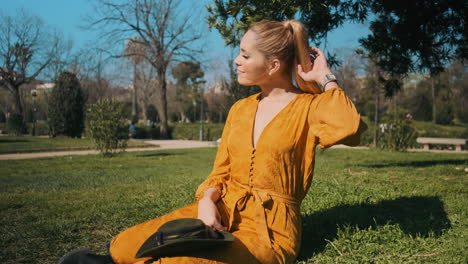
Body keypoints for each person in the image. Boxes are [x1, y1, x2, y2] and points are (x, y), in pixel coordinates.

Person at [59, 19, 366, 264]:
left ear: (273, 65)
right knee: (126, 244)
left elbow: (350, 129)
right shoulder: (240, 109)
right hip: (221, 209)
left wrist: (325, 78)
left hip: (269, 230)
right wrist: (207, 201)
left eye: (245, 55)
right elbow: (221, 169)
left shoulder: (308, 108)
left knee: (181, 260)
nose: (236, 60)